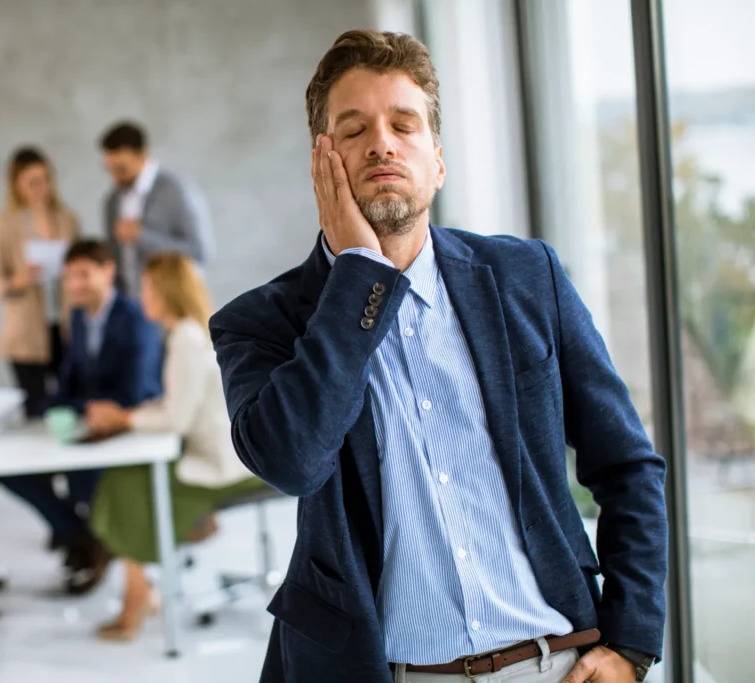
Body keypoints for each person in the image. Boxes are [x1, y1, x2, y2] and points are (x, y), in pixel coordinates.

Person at [209, 31, 667, 683]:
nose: (383, 143)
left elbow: (628, 466)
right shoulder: (261, 323)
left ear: (439, 159)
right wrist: (361, 276)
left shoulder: (525, 276)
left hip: (557, 663)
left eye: (404, 124)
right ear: (321, 161)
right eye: (354, 128)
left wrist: (630, 642)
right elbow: (292, 460)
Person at [83, 252, 265, 641]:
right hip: (221, 451)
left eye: (147, 287)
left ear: (166, 290)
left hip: (222, 464)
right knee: (124, 478)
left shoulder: (185, 336)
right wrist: (130, 414)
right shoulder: (188, 332)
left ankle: (139, 597)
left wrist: (122, 419)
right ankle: (140, 592)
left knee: (124, 484)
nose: (141, 294)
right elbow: (176, 405)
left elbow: (177, 420)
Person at [1, 240, 163, 594]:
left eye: (83, 276)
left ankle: (90, 543)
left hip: (129, 428)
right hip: (86, 423)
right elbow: (70, 379)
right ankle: (80, 535)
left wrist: (78, 409)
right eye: (68, 278)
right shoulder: (78, 317)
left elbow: (135, 393)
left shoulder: (135, 319)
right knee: (11, 470)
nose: (74, 286)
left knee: (83, 474)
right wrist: (46, 411)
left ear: (108, 271)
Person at [0, 146, 80, 419]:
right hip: (26, 332)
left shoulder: (67, 220)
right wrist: (19, 280)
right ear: (16, 185)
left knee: (70, 403)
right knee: (37, 410)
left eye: (46, 179)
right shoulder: (1, 225)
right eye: (33, 182)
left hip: (65, 325)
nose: (42, 188)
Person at [99, 121, 214, 297]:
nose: (114, 178)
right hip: (132, 308)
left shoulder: (177, 191)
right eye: (109, 169)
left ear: (142, 157)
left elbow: (201, 251)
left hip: (174, 303)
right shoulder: (112, 201)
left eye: (121, 169)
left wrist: (141, 236)